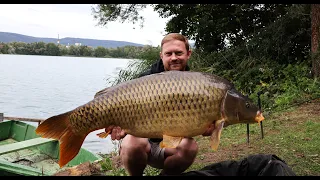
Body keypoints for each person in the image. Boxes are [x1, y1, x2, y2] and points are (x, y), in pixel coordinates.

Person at [109, 33, 215, 176]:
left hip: (171, 146)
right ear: (161, 55)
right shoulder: (145, 80)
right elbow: (124, 114)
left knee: (190, 147)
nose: (174, 58)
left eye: (178, 53)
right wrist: (118, 126)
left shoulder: (195, 84)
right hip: (143, 145)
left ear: (188, 54)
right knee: (132, 144)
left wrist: (207, 126)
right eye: (168, 53)